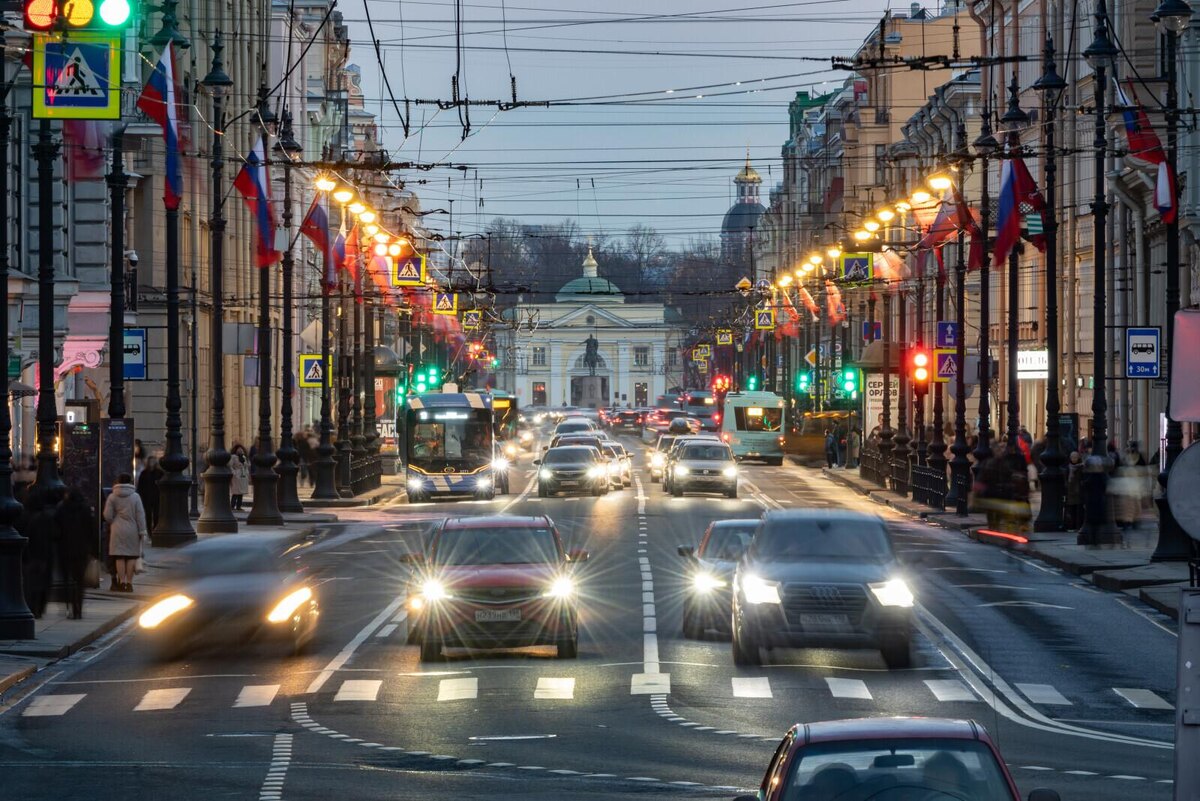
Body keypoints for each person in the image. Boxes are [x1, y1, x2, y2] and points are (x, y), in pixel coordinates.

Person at [56, 490, 98, 619]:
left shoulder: (61, 509)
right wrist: (94, 551)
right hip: (81, 551)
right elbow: (92, 531)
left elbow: (57, 530)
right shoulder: (85, 510)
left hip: (65, 550)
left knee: (67, 581)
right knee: (79, 581)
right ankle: (78, 609)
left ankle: (69, 606)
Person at [103, 473, 147, 593]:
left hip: (116, 529)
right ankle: (129, 584)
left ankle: (121, 582)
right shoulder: (135, 497)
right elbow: (140, 515)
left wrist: (114, 521)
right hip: (132, 529)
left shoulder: (112, 496)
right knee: (131, 556)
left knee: (119, 556)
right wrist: (142, 530)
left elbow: (107, 515)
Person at [19, 487, 58, 617]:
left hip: (29, 555)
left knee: (29, 583)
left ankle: (31, 606)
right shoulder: (45, 517)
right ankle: (40, 608)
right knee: (43, 583)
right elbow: (54, 534)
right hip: (44, 555)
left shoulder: (23, 515)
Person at [136, 455, 163, 533]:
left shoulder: (159, 473)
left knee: (156, 515)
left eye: (153, 461)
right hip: (146, 498)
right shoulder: (144, 473)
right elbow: (140, 486)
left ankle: (155, 530)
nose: (152, 463)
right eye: (151, 461)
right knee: (147, 516)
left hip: (157, 497)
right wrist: (141, 496)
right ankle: (149, 532)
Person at [230, 443, 250, 510]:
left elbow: (247, 465)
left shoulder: (244, 457)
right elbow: (230, 466)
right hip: (236, 476)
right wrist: (234, 473)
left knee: (241, 492)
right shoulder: (233, 457)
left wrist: (247, 473)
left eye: (241, 449)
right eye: (239, 449)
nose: (240, 450)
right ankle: (232, 506)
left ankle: (239, 506)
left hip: (243, 476)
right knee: (235, 492)